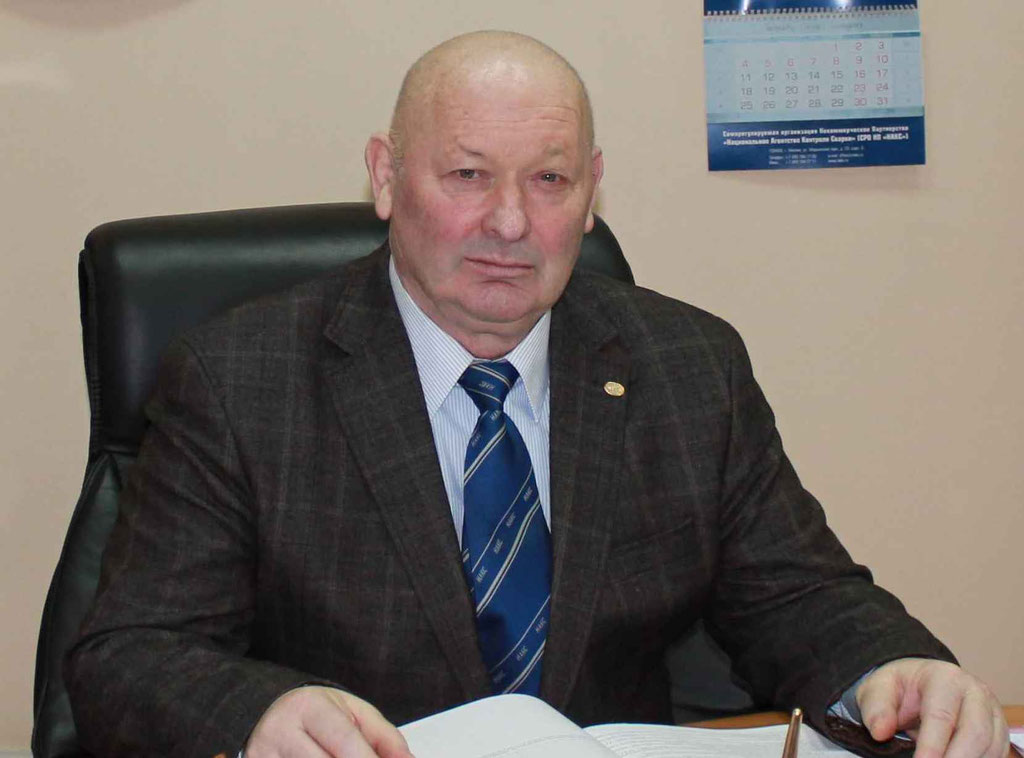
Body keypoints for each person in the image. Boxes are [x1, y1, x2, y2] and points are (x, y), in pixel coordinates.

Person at [66, 31, 1008, 758]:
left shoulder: (689, 365)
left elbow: (799, 595)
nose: (511, 222)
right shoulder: (241, 378)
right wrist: (260, 712)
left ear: (592, 192)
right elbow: (130, 654)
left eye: (549, 179)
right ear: (387, 177)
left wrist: (896, 669)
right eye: (468, 175)